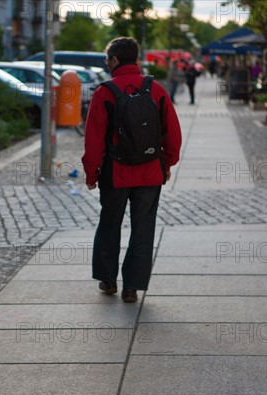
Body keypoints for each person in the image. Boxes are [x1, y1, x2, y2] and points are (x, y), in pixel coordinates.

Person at [82, 37, 182, 303]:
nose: (106, 64)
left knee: (109, 224)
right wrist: (167, 163)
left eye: (107, 60)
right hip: (150, 172)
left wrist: (91, 174)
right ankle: (132, 288)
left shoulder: (105, 92)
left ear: (114, 60)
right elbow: (173, 133)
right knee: (143, 228)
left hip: (115, 173)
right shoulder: (155, 89)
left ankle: (108, 280)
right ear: (136, 60)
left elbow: (93, 139)